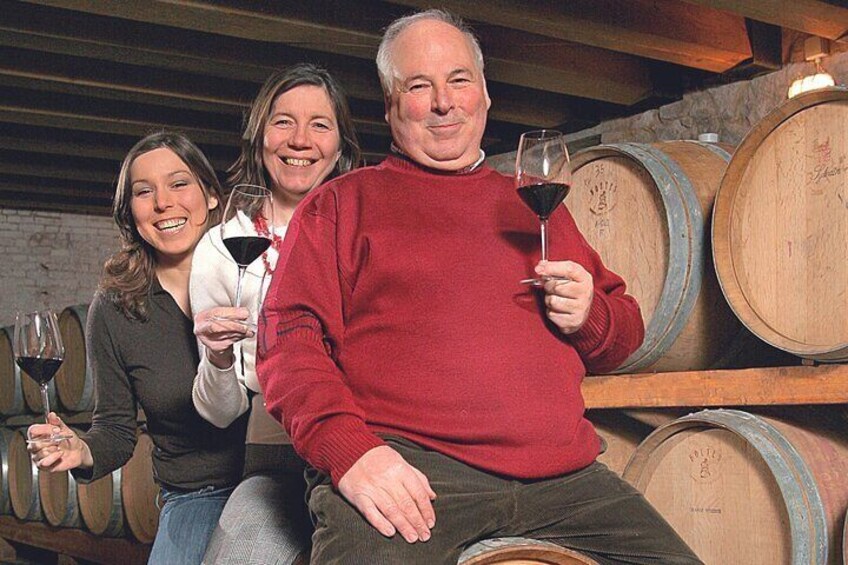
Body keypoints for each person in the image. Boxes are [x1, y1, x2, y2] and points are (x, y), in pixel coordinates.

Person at [257, 10, 704, 565]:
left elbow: (622, 334)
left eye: (459, 80)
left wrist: (589, 313)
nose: (444, 102)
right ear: (391, 105)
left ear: (485, 96)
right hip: (417, 468)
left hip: (564, 478)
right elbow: (287, 344)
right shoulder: (342, 206)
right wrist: (352, 454)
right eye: (419, 86)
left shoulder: (536, 203)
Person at [27, 132, 247, 564]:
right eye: (144, 192)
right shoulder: (115, 309)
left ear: (212, 196)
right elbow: (115, 430)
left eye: (179, 184)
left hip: (285, 480)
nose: (163, 202)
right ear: (131, 212)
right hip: (198, 493)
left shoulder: (253, 275)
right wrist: (82, 449)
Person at [190, 63, 361, 564]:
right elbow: (222, 412)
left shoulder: (367, 231)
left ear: (341, 145)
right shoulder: (222, 248)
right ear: (259, 136)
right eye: (283, 121)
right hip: (276, 457)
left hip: (371, 442)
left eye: (320, 125)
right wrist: (219, 358)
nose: (301, 140)